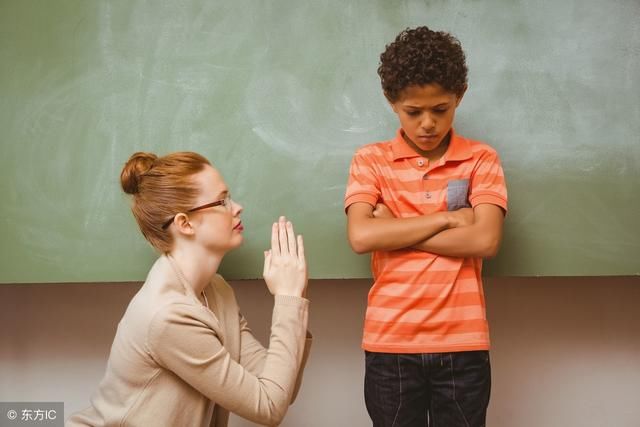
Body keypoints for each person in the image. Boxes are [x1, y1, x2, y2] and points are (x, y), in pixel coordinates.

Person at [67, 152, 311, 427]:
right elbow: (269, 407)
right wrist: (287, 299)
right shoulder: (170, 315)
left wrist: (294, 298)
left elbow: (279, 388)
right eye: (223, 201)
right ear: (185, 223)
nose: (237, 207)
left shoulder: (215, 290)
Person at [344, 26, 508, 427]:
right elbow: (362, 236)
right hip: (391, 343)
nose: (428, 124)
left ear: (460, 97)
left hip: (463, 344)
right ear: (391, 102)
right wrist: (449, 219)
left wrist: (397, 227)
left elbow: (485, 239)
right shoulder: (370, 161)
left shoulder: (480, 160)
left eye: (441, 108)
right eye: (413, 112)